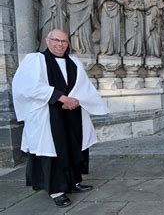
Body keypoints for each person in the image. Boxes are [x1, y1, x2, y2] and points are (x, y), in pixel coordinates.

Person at [12, 29, 109, 207]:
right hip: (47, 113)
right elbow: (27, 86)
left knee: (73, 146)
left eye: (64, 41)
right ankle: (57, 190)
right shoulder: (36, 60)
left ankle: (73, 182)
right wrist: (60, 97)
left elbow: (84, 85)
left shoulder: (74, 61)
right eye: (56, 40)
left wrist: (76, 100)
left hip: (73, 112)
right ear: (47, 41)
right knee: (53, 150)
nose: (60, 44)